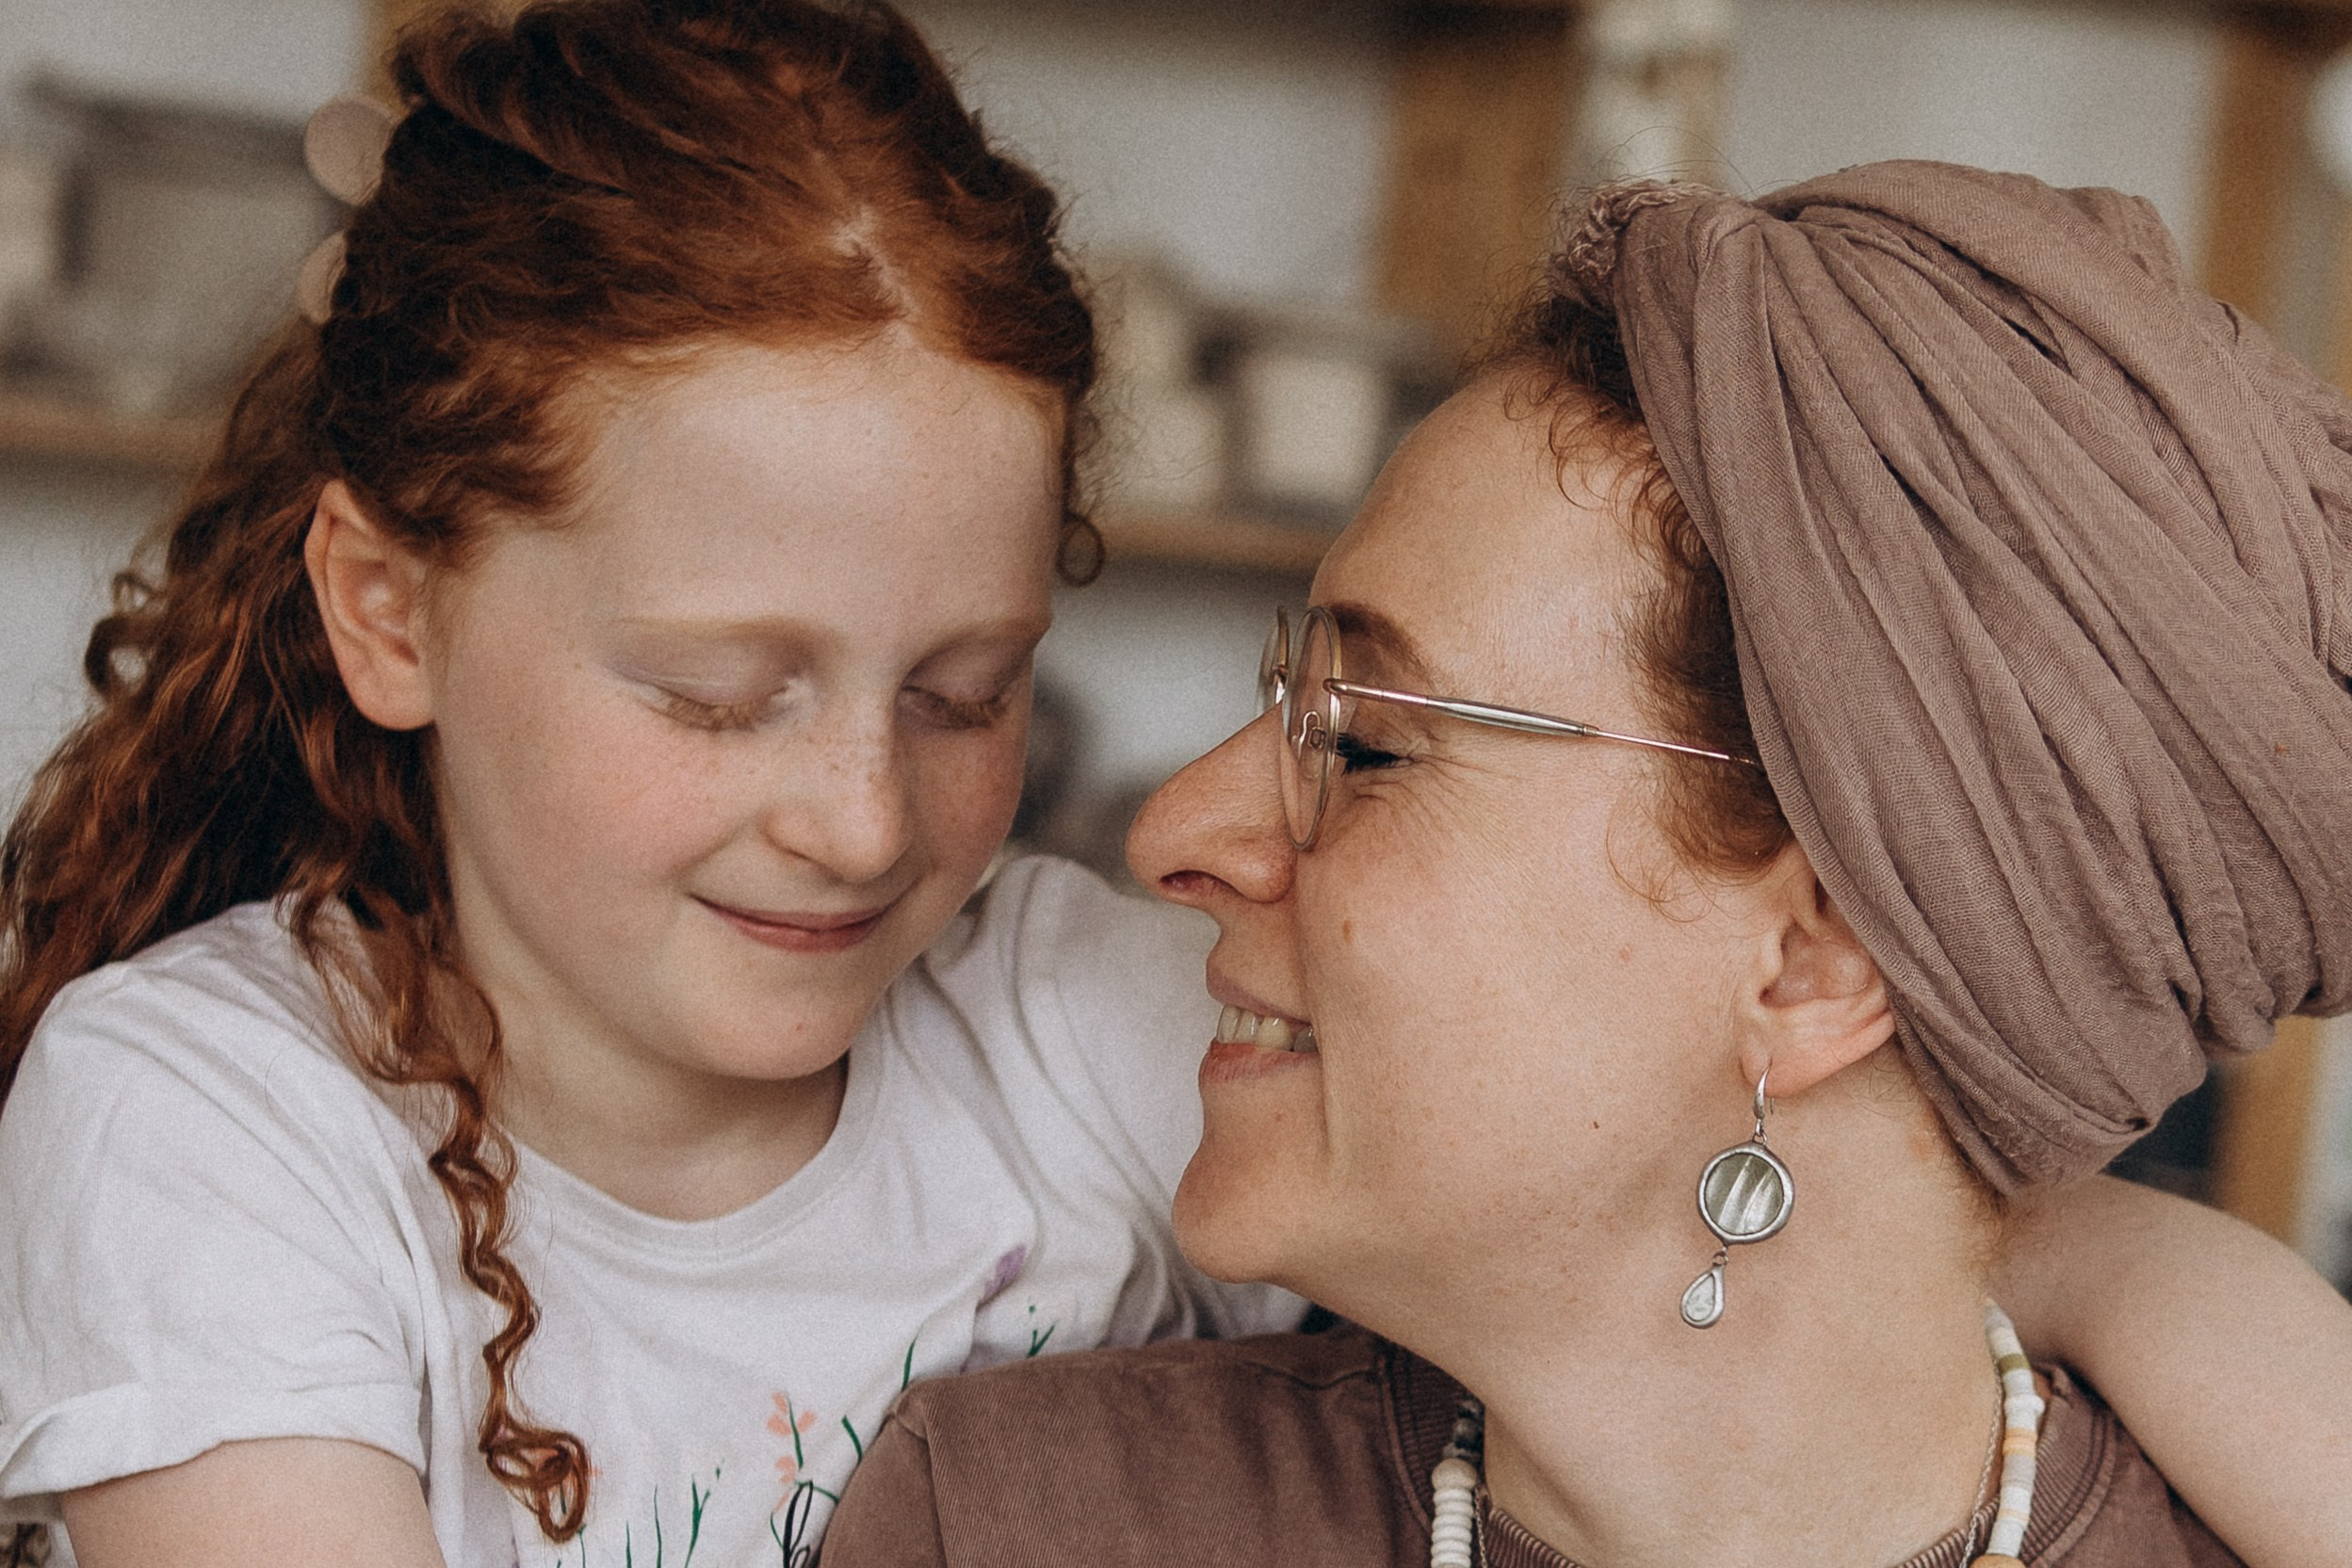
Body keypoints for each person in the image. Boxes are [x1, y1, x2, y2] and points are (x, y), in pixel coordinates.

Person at [818, 164, 2352, 1568]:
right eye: (1293, 694)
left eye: (1368, 744)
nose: (1175, 832)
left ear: (1811, 959)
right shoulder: (1016, 1521)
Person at [0, 5, 1309, 1566]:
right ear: (386, 608)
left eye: (963, 696)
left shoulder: (1085, 1017)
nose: (863, 822)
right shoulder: (206, 1113)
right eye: (718, 699)